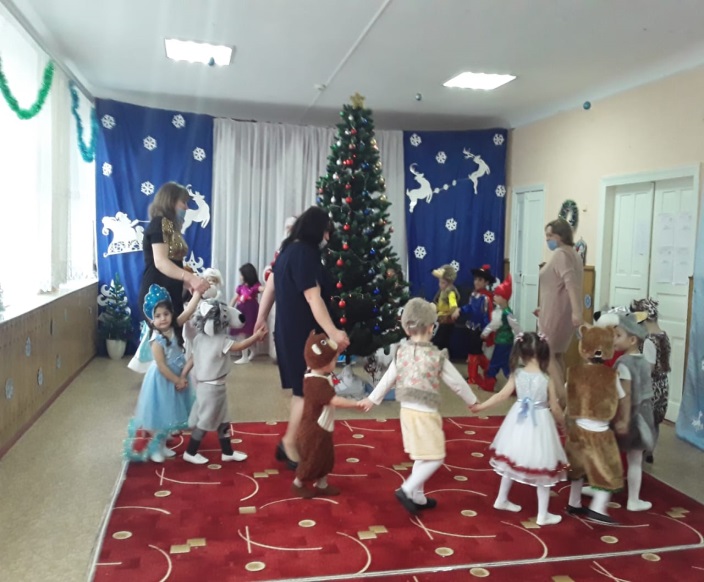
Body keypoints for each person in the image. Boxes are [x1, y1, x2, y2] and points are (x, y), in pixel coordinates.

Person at [359, 298, 478, 515]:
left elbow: (388, 379)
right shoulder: (437, 356)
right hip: (426, 414)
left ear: (407, 328)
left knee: (422, 455)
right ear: (432, 327)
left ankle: (418, 496)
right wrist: (472, 401)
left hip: (406, 412)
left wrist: (372, 399)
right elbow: (457, 383)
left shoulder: (401, 352)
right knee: (436, 456)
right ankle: (407, 489)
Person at [254, 207, 350, 469]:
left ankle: (295, 441)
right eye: (326, 232)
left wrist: (261, 317)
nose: (327, 238)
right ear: (316, 229)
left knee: (304, 390)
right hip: (302, 334)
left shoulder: (287, 250)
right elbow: (312, 297)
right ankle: (288, 444)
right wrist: (333, 332)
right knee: (305, 391)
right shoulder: (304, 254)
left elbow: (271, 285)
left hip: (290, 330)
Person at [470, 332, 567, 526]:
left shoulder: (517, 374)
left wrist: (481, 407)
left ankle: (502, 498)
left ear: (521, 353)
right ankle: (543, 514)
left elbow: (501, 396)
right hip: (540, 422)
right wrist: (564, 424)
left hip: (518, 421)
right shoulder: (546, 378)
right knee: (543, 463)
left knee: (512, 457)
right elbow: (555, 408)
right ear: (543, 352)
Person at [183, 299, 266, 465]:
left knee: (223, 421)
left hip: (210, 387)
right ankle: (190, 452)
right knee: (204, 422)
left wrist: (183, 374)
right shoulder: (222, 340)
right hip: (212, 390)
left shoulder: (199, 338)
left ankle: (227, 452)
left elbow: (192, 359)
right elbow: (240, 346)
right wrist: (256, 337)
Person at [124, 285, 195, 463]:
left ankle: (162, 443)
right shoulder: (156, 339)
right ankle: (155, 447)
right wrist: (177, 380)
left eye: (166, 314)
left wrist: (198, 293)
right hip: (163, 380)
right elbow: (162, 366)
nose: (163, 319)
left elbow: (188, 312)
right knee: (161, 413)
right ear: (152, 319)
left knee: (170, 412)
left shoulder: (174, 328)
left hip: (177, 376)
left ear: (171, 314)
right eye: (157, 316)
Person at [292, 331, 360, 497]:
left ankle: (322, 483)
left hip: (324, 426)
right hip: (315, 428)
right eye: (334, 360)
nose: (336, 362)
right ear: (323, 364)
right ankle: (298, 482)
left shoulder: (316, 371)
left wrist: (336, 349)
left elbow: (323, 355)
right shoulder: (316, 383)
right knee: (313, 457)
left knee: (326, 456)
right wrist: (355, 403)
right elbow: (335, 401)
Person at [138, 181, 210, 320]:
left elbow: (171, 265)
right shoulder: (160, 223)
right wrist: (191, 278)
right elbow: (161, 262)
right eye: (183, 202)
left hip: (169, 296)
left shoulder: (168, 226)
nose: (187, 207)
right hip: (158, 298)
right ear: (170, 201)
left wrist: (186, 283)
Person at [536, 218, 584, 404]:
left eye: (550, 235)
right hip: (558, 310)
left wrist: (577, 312)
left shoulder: (561, 254)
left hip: (557, 312)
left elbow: (570, 283)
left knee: (546, 353)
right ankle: (559, 396)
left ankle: (562, 399)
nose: (547, 239)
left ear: (561, 235)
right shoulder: (574, 254)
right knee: (556, 354)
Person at [613, 312, 657, 511]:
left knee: (613, 455)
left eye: (618, 336)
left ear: (632, 340)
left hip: (628, 415)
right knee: (635, 459)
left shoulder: (623, 363)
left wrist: (621, 419)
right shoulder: (644, 361)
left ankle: (605, 489)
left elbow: (625, 393)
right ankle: (633, 499)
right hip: (645, 415)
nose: (614, 340)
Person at [630, 298, 671, 464]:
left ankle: (643, 451)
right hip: (663, 385)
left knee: (645, 420)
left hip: (651, 387)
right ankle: (650, 451)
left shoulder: (649, 340)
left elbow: (649, 368)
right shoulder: (663, 336)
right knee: (656, 421)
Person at [452, 264, 495, 390]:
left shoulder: (486, 298)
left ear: (486, 282)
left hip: (479, 330)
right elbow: (470, 308)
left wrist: (486, 332)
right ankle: (489, 372)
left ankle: (474, 377)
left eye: (480, 280)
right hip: (471, 327)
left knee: (474, 353)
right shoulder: (474, 294)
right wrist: (460, 310)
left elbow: (487, 316)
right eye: (475, 279)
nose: (476, 282)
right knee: (475, 353)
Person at [481, 274, 521, 392]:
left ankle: (489, 384)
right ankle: (514, 387)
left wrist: (522, 336)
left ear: (504, 298)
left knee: (495, 363)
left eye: (498, 295)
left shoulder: (506, 313)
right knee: (506, 365)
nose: (494, 296)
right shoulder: (501, 311)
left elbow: (514, 326)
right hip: (503, 341)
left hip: (503, 343)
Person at [230, 263, 261, 364]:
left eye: (241, 274)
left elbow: (264, 289)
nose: (240, 276)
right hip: (241, 311)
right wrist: (229, 309)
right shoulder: (240, 287)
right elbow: (234, 298)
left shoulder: (255, 286)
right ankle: (251, 352)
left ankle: (245, 356)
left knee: (245, 333)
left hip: (251, 312)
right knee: (241, 334)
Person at [431, 264, 459, 351]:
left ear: (450, 283)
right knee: (439, 341)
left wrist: (452, 313)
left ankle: (444, 356)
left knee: (442, 342)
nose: (440, 285)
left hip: (447, 321)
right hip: (440, 319)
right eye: (440, 282)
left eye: (443, 283)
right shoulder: (442, 292)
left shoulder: (450, 292)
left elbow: (453, 305)